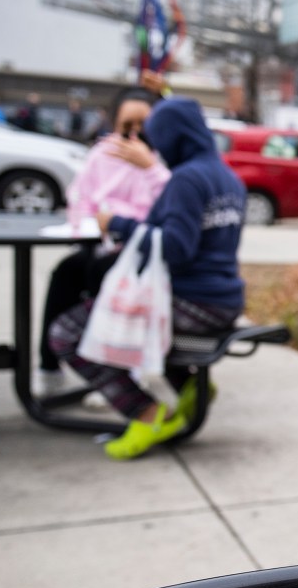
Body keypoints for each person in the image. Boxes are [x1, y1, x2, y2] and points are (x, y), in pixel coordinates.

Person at [48, 97, 247, 460]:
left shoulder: (187, 179)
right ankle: (185, 387)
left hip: (190, 301)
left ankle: (146, 412)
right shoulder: (226, 176)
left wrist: (117, 225)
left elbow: (174, 248)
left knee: (67, 333)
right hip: (224, 299)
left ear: (174, 137)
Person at [36, 87, 170, 392]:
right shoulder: (101, 154)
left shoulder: (163, 160)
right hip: (97, 241)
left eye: (143, 124)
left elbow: (168, 208)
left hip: (143, 248)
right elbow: (79, 198)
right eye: (128, 124)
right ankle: (48, 365)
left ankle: (113, 376)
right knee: (67, 273)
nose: (135, 133)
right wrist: (86, 226)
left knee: (103, 275)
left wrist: (150, 167)